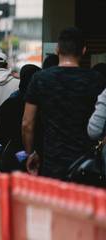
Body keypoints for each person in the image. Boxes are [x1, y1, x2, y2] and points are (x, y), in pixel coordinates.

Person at [22, 27, 106, 180]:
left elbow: (27, 123)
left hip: (51, 163)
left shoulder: (40, 79)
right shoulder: (96, 79)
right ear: (84, 50)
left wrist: (30, 153)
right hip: (86, 165)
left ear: (57, 49)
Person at [0, 64, 41, 172]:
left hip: (12, 156)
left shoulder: (11, 102)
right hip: (37, 157)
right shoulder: (40, 104)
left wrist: (11, 144)